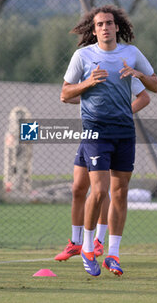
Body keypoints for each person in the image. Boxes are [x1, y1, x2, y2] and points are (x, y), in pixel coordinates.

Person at [61, 4, 157, 276]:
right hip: (95, 131)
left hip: (124, 132)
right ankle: (87, 247)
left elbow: (155, 86)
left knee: (120, 193)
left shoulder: (131, 53)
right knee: (100, 190)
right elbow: (65, 93)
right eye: (100, 24)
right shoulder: (83, 56)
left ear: (117, 27)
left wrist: (139, 75)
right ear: (94, 30)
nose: (105, 27)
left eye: (109, 23)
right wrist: (88, 83)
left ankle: (113, 255)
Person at [55, 82, 150, 261]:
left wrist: (121, 114)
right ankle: (76, 243)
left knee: (101, 188)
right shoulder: (87, 68)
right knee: (78, 188)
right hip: (89, 134)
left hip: (112, 136)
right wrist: (74, 95)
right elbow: (68, 96)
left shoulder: (123, 69)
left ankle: (98, 240)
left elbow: (145, 97)